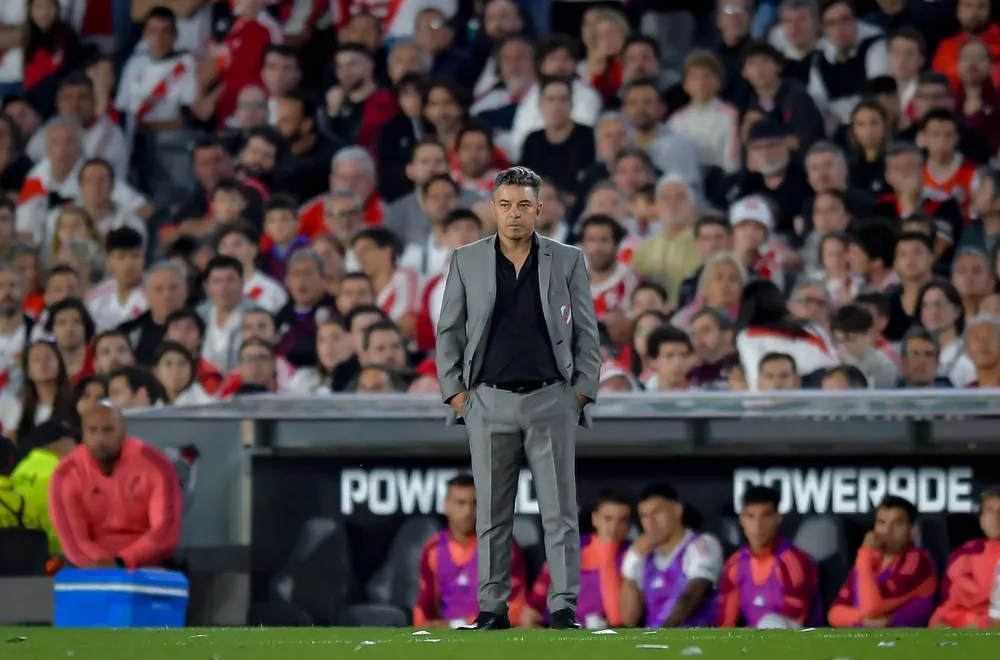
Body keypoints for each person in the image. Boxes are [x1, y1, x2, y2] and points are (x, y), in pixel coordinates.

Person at [436, 166, 601, 630]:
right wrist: (456, 395)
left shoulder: (567, 260)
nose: (513, 214)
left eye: (523, 205)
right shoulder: (466, 259)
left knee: (560, 514)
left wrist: (582, 394)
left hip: (553, 399)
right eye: (505, 205)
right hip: (487, 401)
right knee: (491, 514)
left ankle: (563, 607)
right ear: (493, 208)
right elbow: (448, 331)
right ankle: (492, 609)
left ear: (539, 209)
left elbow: (588, 333)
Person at [48, 400, 181, 569]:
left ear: (123, 431)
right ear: (83, 434)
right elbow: (74, 542)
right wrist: (109, 567)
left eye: (108, 430)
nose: (101, 438)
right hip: (91, 567)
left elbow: (164, 532)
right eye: (93, 431)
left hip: (147, 563)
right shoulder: (64, 475)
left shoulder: (156, 465)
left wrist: (124, 561)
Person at [414, 473, 527, 628]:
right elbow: (423, 609)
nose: (468, 511)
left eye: (475, 503)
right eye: (460, 503)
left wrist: (459, 624)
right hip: (447, 639)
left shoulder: (501, 546)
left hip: (490, 633)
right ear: (446, 506)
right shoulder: (433, 550)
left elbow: (516, 608)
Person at [619, 484, 723, 628]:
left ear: (677, 510)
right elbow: (629, 619)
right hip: (656, 645)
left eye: (657, 512)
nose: (650, 522)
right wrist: (632, 562)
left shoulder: (701, 544)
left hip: (695, 644)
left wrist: (663, 634)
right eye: (644, 516)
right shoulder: (644, 557)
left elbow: (692, 595)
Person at [524, 491, 632, 629]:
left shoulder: (633, 557)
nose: (614, 527)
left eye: (622, 520)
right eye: (608, 518)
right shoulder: (568, 551)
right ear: (595, 518)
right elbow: (532, 607)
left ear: (629, 525)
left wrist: (608, 555)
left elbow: (618, 618)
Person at [717, 485, 820, 628]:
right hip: (754, 639)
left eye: (765, 516)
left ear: (777, 519)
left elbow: (796, 616)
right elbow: (726, 621)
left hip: (797, 640)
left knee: (771, 623)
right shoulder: (734, 564)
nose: (757, 526)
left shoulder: (793, 561)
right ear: (742, 520)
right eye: (751, 517)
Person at [828, 496, 938, 627]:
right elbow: (834, 613)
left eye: (897, 523)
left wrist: (864, 554)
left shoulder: (918, 562)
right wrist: (863, 620)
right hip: (867, 641)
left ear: (912, 530)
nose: (887, 531)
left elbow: (871, 608)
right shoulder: (871, 560)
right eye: (882, 522)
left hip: (906, 642)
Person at [930, 487, 1000, 628]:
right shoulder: (964, 553)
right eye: (990, 511)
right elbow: (947, 602)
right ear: (981, 519)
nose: (996, 517)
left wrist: (977, 623)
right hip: (956, 624)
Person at [9, 419, 79, 554]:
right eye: (73, 441)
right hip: (58, 554)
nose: (77, 447)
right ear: (60, 443)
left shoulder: (19, 469)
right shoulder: (66, 473)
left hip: (22, 554)